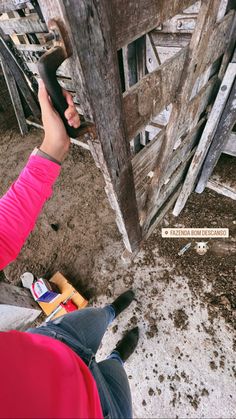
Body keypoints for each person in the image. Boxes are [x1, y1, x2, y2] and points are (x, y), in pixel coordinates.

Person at [0, 80, 139, 418]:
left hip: (56, 343)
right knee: (117, 373)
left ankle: (111, 312)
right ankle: (119, 355)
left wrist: (52, 148)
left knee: (95, 316)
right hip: (101, 410)